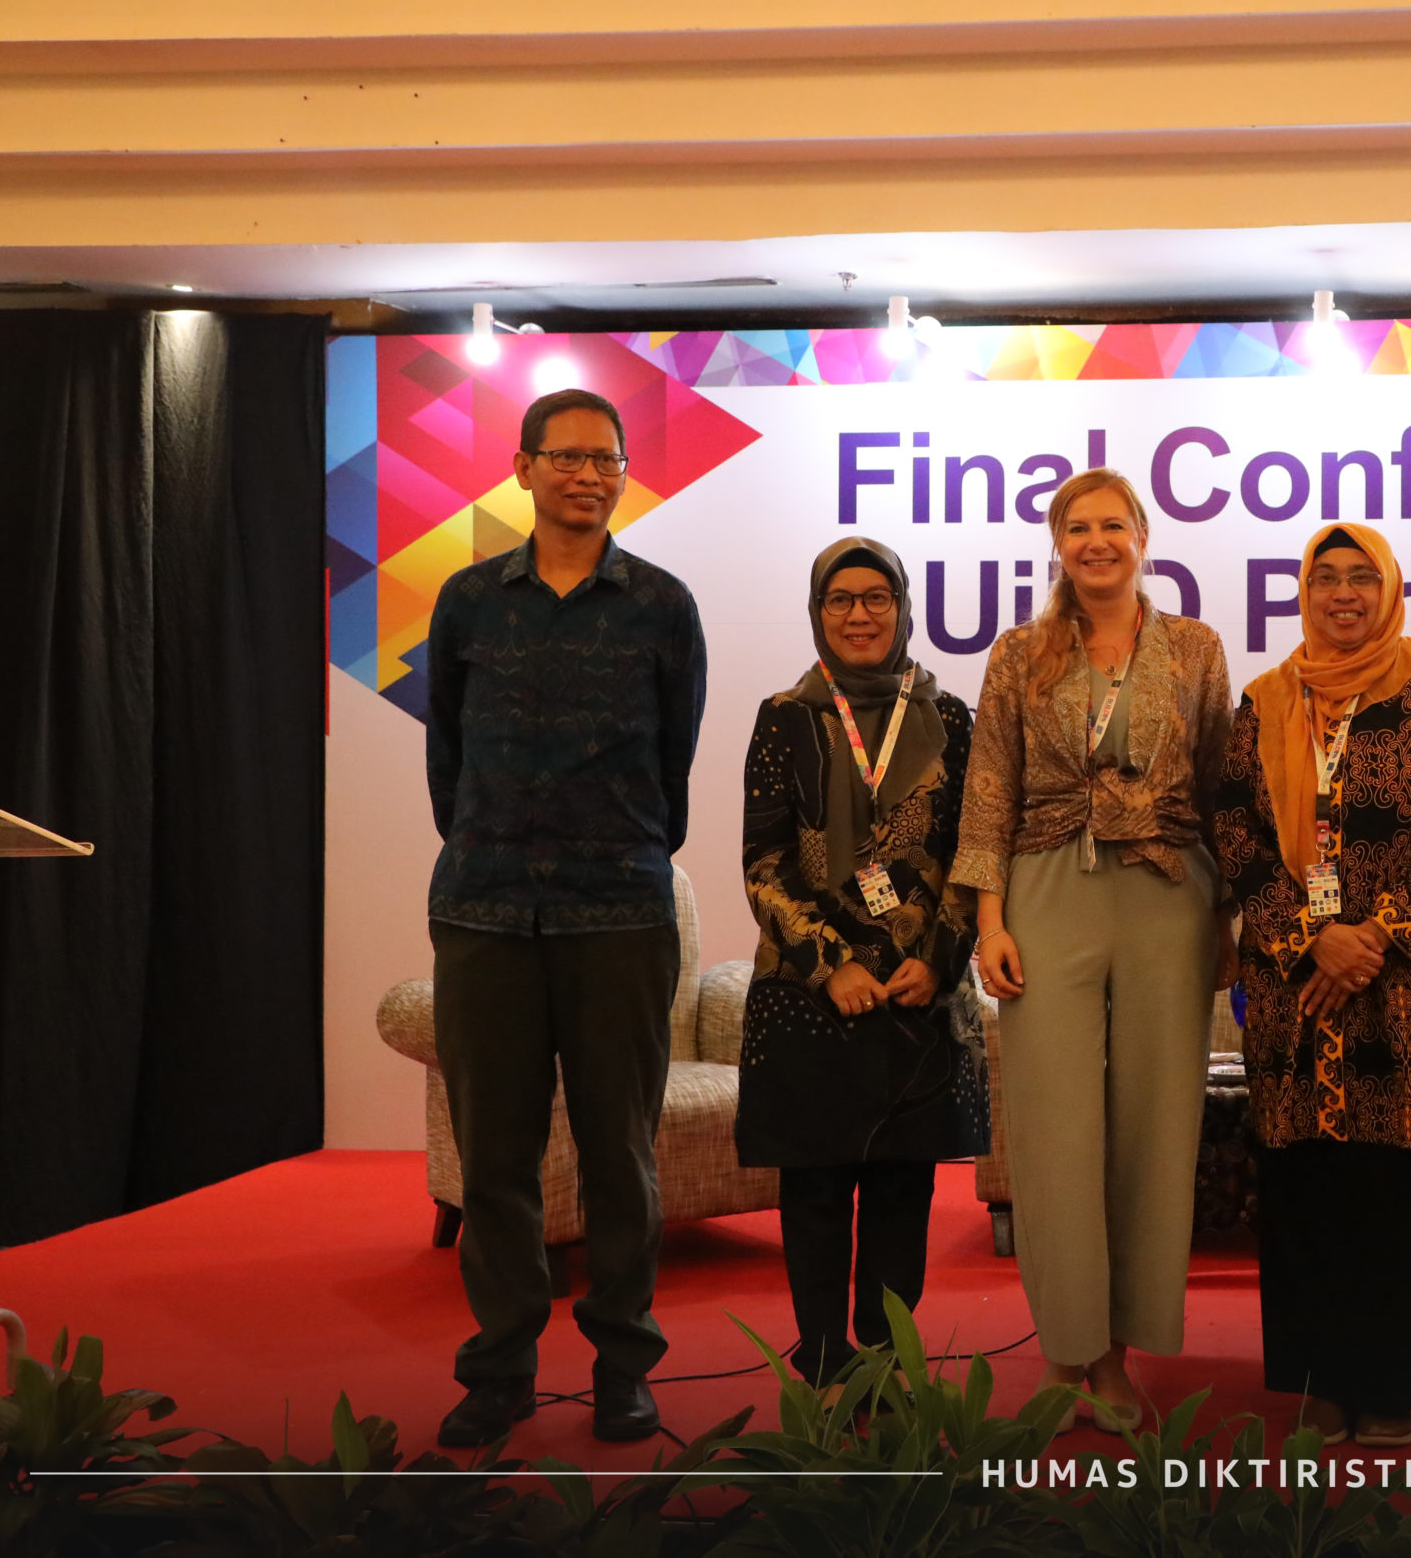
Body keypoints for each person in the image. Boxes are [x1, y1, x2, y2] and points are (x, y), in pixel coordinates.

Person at [423, 388, 707, 1449]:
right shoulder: (466, 600)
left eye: (607, 459)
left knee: (619, 1155)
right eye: (568, 457)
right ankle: (498, 1368)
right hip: (485, 910)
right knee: (495, 1161)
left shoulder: (662, 604)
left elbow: (674, 763)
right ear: (524, 469)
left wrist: (622, 848)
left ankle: (623, 1367)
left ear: (625, 474)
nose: (589, 475)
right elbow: (446, 759)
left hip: (619, 912)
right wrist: (491, 842)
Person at [953, 467, 1235, 1434]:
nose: (1097, 541)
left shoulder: (1195, 648)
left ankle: (1120, 1353)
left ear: (1144, 536)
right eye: (1078, 527)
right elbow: (989, 785)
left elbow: (1219, 786)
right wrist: (990, 922)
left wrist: (1228, 920)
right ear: (1058, 543)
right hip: (1047, 888)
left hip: (1168, 894)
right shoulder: (1019, 652)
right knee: (1054, 1131)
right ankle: (1066, 1349)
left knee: (1157, 1126)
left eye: (1114, 524)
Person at [1216, 522, 1411, 1448]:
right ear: (1303, 591)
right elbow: (1235, 832)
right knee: (1311, 1187)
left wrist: (1376, 938)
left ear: (1388, 590)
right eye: (1326, 578)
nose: (1343, 594)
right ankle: (1322, 1378)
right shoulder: (1265, 698)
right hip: (1297, 990)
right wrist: (1312, 940)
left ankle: (1395, 1382)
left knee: (1402, 1188)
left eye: (1360, 578)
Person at [734, 537, 989, 1395]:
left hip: (918, 994)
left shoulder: (952, 718)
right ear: (818, 612)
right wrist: (829, 963)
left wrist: (939, 959)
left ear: (903, 607)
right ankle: (821, 1361)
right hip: (810, 995)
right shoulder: (784, 717)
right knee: (814, 1189)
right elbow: (764, 863)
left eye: (876, 597)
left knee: (900, 1193)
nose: (858, 614)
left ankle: (885, 1364)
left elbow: (974, 854)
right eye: (839, 599)